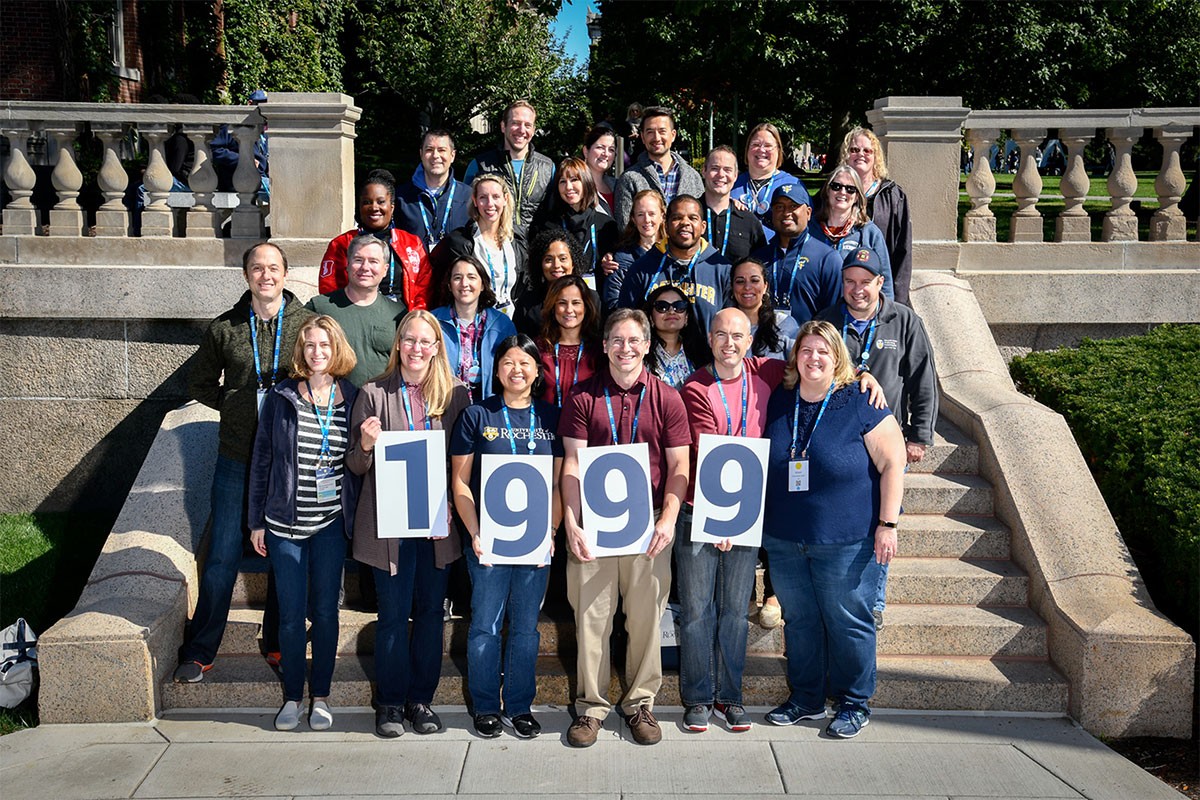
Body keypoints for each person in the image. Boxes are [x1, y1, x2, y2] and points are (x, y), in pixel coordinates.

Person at [174, 242, 311, 684]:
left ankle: (278, 641)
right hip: (237, 456)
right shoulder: (225, 328)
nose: (265, 275)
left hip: (287, 461)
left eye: (273, 268)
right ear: (246, 275)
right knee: (222, 558)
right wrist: (234, 405)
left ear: (285, 274)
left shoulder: (306, 325)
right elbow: (199, 382)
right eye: (257, 268)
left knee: (283, 556)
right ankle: (200, 648)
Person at [760, 320, 905, 738]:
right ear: (795, 357)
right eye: (806, 350)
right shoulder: (780, 400)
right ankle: (805, 698)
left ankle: (853, 702)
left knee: (848, 621)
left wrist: (888, 524)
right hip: (786, 539)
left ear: (838, 356)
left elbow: (894, 462)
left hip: (848, 539)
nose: (814, 358)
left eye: (823, 350)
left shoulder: (860, 399)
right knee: (800, 621)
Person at [559, 308, 692, 747]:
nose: (626, 348)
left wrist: (669, 520)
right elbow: (572, 466)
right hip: (593, 527)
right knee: (591, 622)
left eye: (634, 340)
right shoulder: (582, 397)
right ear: (604, 345)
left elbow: (679, 466)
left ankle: (640, 704)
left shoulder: (667, 398)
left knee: (646, 621)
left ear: (647, 345)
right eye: (617, 340)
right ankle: (591, 708)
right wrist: (572, 524)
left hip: (648, 526)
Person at [347, 310, 472, 738]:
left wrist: (457, 508)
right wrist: (365, 443)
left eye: (426, 341)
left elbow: (464, 467)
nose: (417, 348)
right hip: (391, 529)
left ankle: (421, 701)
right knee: (393, 615)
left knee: (430, 615)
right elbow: (355, 465)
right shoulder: (373, 393)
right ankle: (389, 704)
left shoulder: (455, 395)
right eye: (410, 340)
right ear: (399, 343)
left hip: (437, 527)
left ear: (438, 347)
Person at [247, 315, 360, 731]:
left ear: (337, 349)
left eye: (325, 345)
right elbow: (261, 460)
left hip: (330, 522)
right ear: (301, 350)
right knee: (292, 616)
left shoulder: (352, 397)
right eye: (310, 345)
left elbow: (357, 460)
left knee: (326, 613)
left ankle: (322, 697)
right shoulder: (279, 398)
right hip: (283, 524)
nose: (317, 353)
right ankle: (293, 697)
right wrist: (256, 520)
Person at [676, 308, 787, 733]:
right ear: (708, 336)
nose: (729, 342)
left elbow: (821, 364)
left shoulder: (769, 372)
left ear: (750, 337)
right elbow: (707, 449)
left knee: (737, 610)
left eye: (737, 335)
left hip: (745, 512)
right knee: (699, 609)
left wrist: (864, 376)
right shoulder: (695, 387)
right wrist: (719, 517)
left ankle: (731, 697)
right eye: (720, 334)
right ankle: (699, 697)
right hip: (699, 509)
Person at [449, 334, 564, 739]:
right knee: (484, 626)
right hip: (489, 543)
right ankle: (485, 706)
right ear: (496, 370)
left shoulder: (552, 417)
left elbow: (556, 486)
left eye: (525, 363)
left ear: (537, 371)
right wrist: (475, 532)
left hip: (535, 544)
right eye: (508, 362)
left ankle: (519, 706)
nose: (517, 370)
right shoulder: (477, 416)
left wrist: (550, 532)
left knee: (526, 629)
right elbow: (460, 483)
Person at [817, 246, 938, 628]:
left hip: (885, 442)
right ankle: (839, 592)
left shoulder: (904, 321)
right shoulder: (826, 322)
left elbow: (923, 380)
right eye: (850, 282)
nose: (857, 290)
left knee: (885, 518)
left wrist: (918, 436)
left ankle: (874, 600)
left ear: (880, 283)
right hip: (837, 444)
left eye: (865, 282)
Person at [318, 169, 432, 310]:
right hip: (354, 317)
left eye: (381, 202)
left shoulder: (412, 244)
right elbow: (329, 288)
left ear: (392, 206)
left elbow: (424, 288)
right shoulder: (341, 244)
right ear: (359, 207)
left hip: (402, 320)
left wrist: (414, 319)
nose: (374, 207)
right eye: (367, 202)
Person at [618, 195, 732, 334]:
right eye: (677, 218)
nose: (685, 223)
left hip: (706, 355)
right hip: (653, 354)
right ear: (666, 225)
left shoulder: (722, 269)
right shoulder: (642, 268)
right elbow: (625, 322)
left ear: (703, 227)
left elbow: (730, 325)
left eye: (693, 218)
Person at [307, 236, 408, 389]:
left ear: (385, 269)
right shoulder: (320, 308)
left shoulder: (398, 314)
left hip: (380, 405)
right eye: (358, 260)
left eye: (373, 261)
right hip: (333, 405)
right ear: (347, 265)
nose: (365, 267)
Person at [430, 174, 525, 317]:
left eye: (496, 197)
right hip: (472, 323)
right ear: (475, 201)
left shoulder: (516, 241)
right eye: (483, 197)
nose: (490, 203)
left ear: (505, 199)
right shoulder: (459, 243)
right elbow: (442, 290)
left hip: (510, 323)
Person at [840, 126, 913, 306]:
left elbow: (902, 251)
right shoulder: (834, 192)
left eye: (867, 150)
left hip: (879, 288)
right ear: (846, 154)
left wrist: (898, 301)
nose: (861, 154)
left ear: (876, 156)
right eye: (855, 150)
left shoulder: (893, 196)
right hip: (841, 287)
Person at [750, 183, 841, 325]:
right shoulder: (759, 259)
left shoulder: (827, 259)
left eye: (794, 206)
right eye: (779, 207)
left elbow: (834, 314)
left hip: (808, 344)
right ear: (772, 213)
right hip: (763, 343)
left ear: (808, 213)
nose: (786, 213)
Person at [432, 255, 518, 402]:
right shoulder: (432, 321)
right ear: (449, 286)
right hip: (444, 405)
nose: (464, 283)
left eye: (471, 277)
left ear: (483, 285)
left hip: (489, 407)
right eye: (457, 278)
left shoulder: (502, 324)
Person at [464, 100, 554, 234]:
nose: (522, 130)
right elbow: (467, 212)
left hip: (535, 249)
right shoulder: (480, 165)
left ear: (533, 130)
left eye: (527, 125)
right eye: (515, 123)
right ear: (503, 126)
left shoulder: (547, 168)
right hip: (495, 247)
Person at [808, 166, 894, 300]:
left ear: (856, 197)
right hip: (815, 310)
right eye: (836, 186)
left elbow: (885, 281)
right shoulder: (809, 229)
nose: (842, 192)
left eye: (850, 189)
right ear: (827, 191)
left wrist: (884, 317)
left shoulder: (869, 232)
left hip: (855, 311)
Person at [612, 106, 704, 228]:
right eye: (650, 132)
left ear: (673, 135)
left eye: (662, 131)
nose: (656, 138)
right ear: (643, 137)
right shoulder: (629, 179)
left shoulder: (693, 177)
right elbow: (625, 228)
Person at [540, 156, 619, 294]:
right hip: (560, 299)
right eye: (562, 181)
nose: (568, 187)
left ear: (586, 182)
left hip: (597, 300)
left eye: (574, 180)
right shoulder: (548, 226)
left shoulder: (606, 225)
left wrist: (611, 258)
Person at [395, 129, 472, 253]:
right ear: (421, 154)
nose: (435, 155)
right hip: (414, 271)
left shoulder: (469, 196)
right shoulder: (401, 197)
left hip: (455, 272)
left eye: (442, 150)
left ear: (452, 156)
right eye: (429, 150)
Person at [537, 275, 603, 408]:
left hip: (584, 427)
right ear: (553, 307)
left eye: (576, 303)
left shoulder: (599, 350)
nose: (569, 309)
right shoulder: (538, 348)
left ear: (586, 307)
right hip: (543, 425)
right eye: (562, 303)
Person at [513, 228, 589, 338]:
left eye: (563, 258)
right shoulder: (527, 303)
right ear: (540, 265)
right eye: (548, 260)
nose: (556, 265)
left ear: (573, 263)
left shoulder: (590, 298)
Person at [731, 123, 799, 240]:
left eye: (768, 146)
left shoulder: (793, 184)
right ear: (747, 149)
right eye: (756, 145)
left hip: (777, 255)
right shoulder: (731, 183)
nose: (761, 150)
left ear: (778, 150)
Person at [601, 189, 666, 311]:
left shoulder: (673, 255)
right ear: (633, 219)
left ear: (662, 216)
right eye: (640, 214)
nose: (646, 220)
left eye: (652, 214)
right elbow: (612, 303)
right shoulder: (621, 259)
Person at [700, 145, 767, 264]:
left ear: (735, 176)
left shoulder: (749, 221)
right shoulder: (689, 216)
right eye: (715, 168)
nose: (721, 174)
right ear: (704, 171)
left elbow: (760, 267)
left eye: (727, 170)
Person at [642, 284, 710, 390]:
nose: (671, 311)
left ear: (686, 317)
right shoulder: (640, 355)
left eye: (679, 306)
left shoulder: (702, 355)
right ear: (651, 318)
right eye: (662, 307)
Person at [730, 257, 798, 360]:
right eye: (740, 281)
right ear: (731, 286)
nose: (747, 287)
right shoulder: (722, 325)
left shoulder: (784, 324)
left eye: (754, 280)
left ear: (765, 286)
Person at [582, 125, 619, 215]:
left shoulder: (617, 185)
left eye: (611, 150)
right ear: (586, 151)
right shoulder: (575, 185)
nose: (606, 154)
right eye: (600, 148)